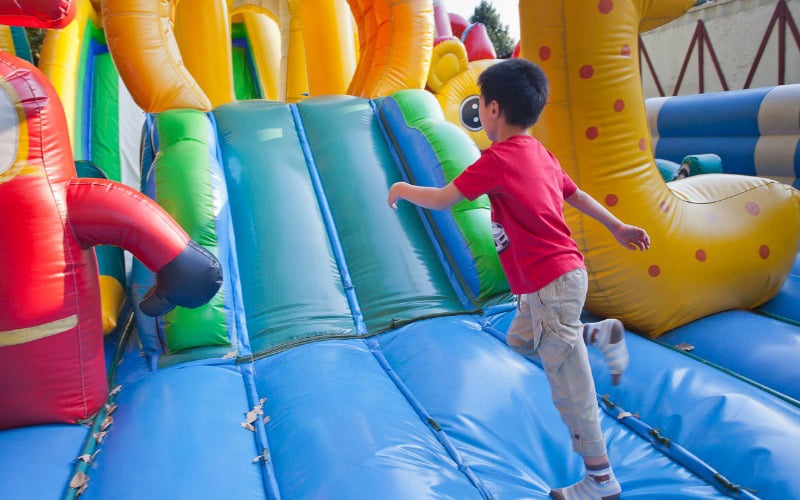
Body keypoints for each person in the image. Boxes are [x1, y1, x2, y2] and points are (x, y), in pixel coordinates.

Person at [387, 58, 650, 500]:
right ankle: (592, 333)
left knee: (571, 389)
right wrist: (617, 226)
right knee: (521, 341)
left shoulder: (497, 160)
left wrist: (401, 189)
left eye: (481, 105)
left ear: (492, 108)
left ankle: (601, 480)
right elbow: (577, 195)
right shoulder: (540, 153)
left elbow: (443, 199)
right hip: (557, 281)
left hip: (551, 284)